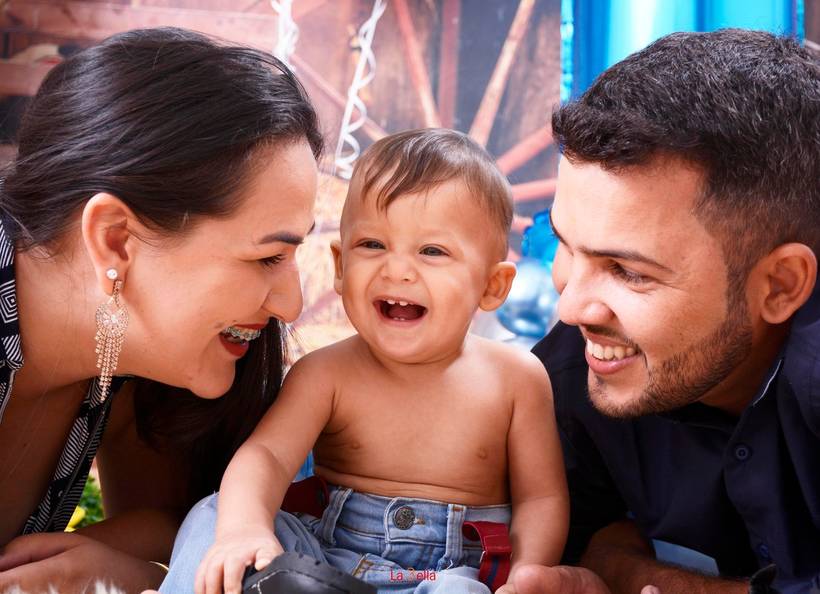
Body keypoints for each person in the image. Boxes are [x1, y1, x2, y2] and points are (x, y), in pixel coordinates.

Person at [158, 128, 569, 594]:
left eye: (432, 251)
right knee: (214, 513)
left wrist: (527, 576)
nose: (396, 269)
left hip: (449, 576)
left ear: (492, 286)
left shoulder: (515, 379)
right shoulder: (325, 373)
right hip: (324, 565)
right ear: (339, 265)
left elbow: (542, 498)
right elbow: (267, 456)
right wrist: (244, 530)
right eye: (372, 245)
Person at [0, 27, 322, 593]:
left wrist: (119, 571)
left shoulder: (133, 355)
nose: (291, 303)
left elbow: (170, 528)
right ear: (117, 239)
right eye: (268, 256)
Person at [510, 29, 820, 594]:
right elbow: (587, 535)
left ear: (779, 286)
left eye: (628, 271)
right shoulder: (565, 372)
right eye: (564, 246)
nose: (571, 305)